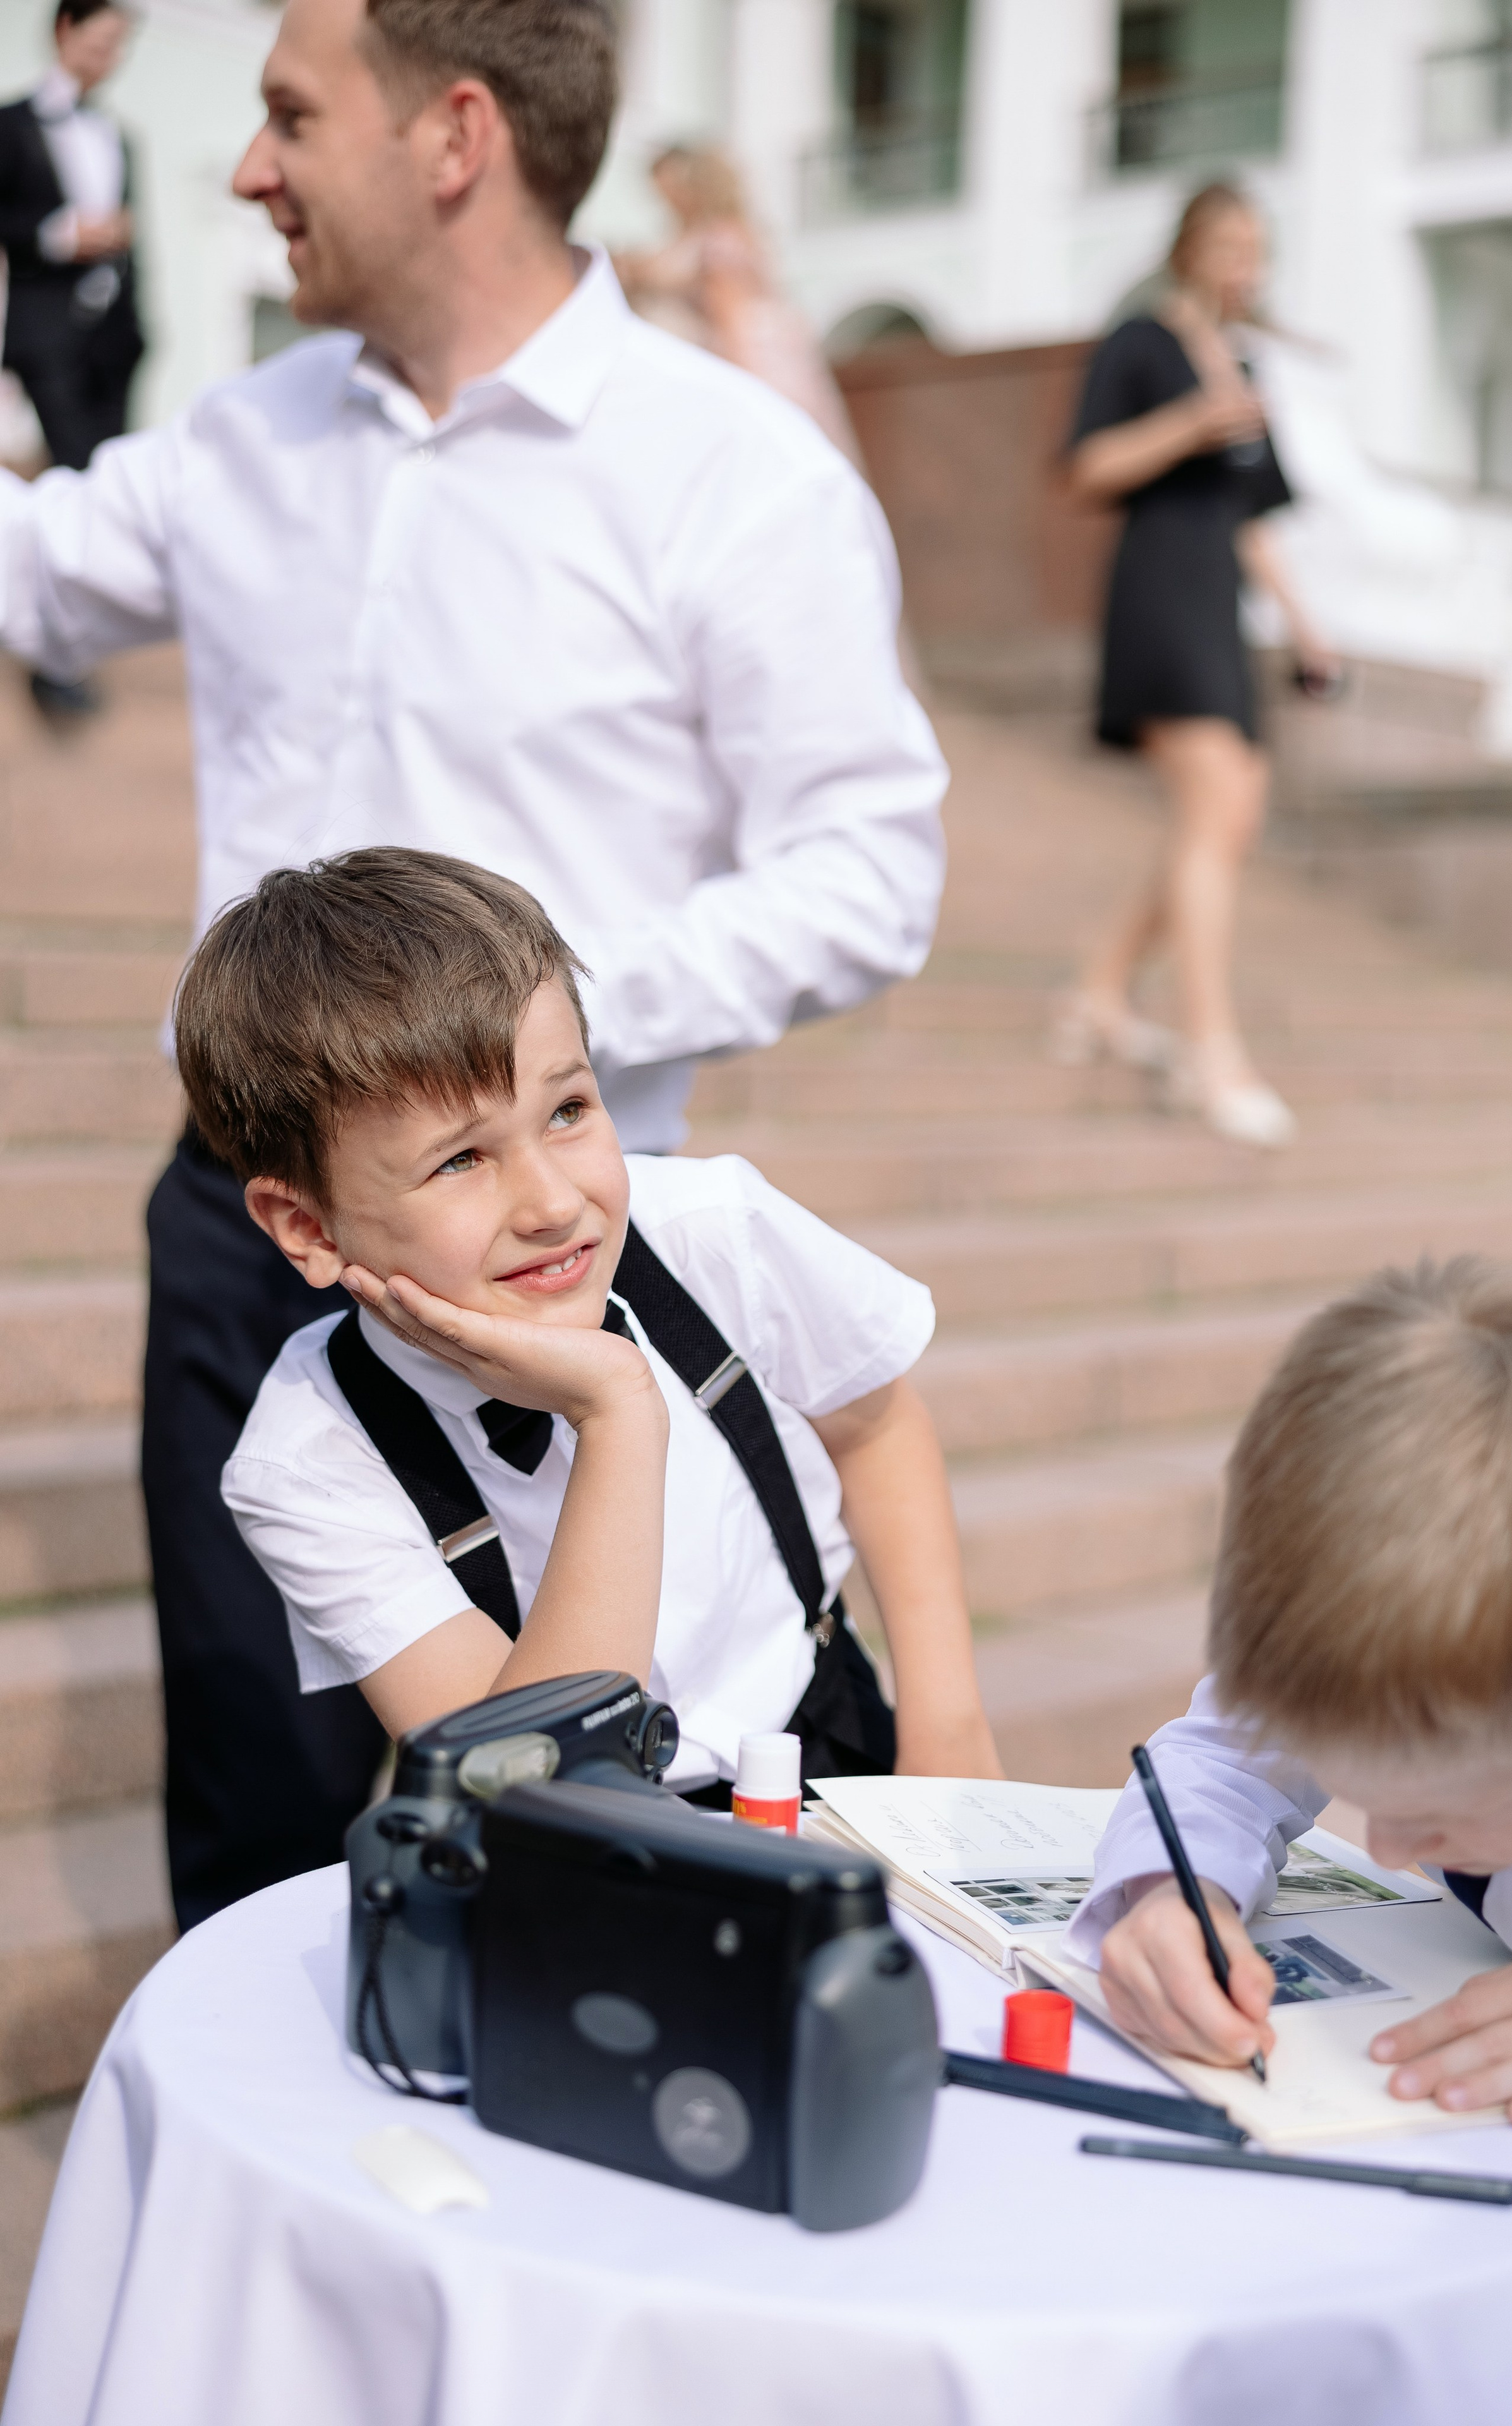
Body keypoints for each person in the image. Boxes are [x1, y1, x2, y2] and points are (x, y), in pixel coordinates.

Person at [0, 0, 947, 1929]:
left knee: (603, 1796)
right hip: (248, 1221)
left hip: (569, 1239)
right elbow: (32, 569)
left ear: (451, 138)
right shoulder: (242, 435)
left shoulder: (730, 471)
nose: (245, 171)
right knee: (255, 1803)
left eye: (289, 117)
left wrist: (507, 1059)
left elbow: (871, 867)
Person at [173, 848, 1002, 1791]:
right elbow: (530, 1782)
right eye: (460, 1160)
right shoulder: (309, 1461)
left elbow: (876, 1429)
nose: (554, 1203)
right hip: (572, 1837)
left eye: (567, 1110)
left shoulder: (708, 1233)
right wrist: (616, 1414)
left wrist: (948, 1730)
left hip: (826, 1743)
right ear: (308, 1228)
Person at [1071, 1255, 1512, 2128]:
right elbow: (1225, 1757)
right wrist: (1177, 1892)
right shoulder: (1373, 1629)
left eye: (1446, 1808)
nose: (1388, 1849)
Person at [1053, 183, 1336, 1150]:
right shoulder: (1142, 342)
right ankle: (1213, 1055)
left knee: (1229, 815)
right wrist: (1192, 423)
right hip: (1158, 590)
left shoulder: (1246, 362)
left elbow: (1251, 518)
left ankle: (1099, 991)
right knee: (1216, 803)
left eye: (1255, 245)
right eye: (1227, 242)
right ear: (1188, 248)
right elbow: (1086, 468)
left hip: (1221, 600)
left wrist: (1305, 627)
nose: (1242, 260)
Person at [0, 0, 143, 718]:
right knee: (67, 477)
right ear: (65, 30)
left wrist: (141, 334)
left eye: (121, 46)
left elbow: (137, 241)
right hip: (43, 333)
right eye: (103, 39)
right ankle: (52, 661)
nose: (110, 56)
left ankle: (63, 648)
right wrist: (62, 235)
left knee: (93, 485)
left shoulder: (120, 135)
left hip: (110, 340)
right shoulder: (11, 125)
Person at [614, 144, 861, 461]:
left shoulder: (717, 244)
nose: (665, 199)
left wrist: (735, 387)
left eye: (670, 188)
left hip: (753, 357)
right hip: (768, 351)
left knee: (773, 446)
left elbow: (731, 319)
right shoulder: (723, 233)